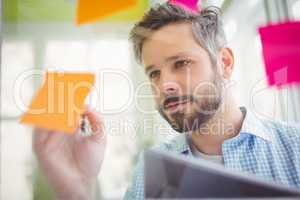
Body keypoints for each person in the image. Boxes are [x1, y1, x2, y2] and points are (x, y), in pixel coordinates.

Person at [33, 2, 300, 200]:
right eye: (154, 73)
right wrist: (79, 189)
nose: (164, 84)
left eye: (181, 63)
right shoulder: (148, 172)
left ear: (225, 63)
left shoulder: (294, 148)